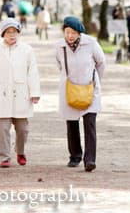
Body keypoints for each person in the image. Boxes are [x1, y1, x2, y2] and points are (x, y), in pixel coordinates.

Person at [0, 18, 40, 168]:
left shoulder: (27, 50)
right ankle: (4, 157)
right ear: (3, 34)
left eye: (15, 32)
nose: (12, 35)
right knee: (2, 129)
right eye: (8, 32)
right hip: (1, 94)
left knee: (23, 129)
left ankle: (20, 151)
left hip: (21, 94)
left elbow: (33, 72)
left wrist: (35, 92)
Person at [55, 16, 105, 172]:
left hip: (89, 88)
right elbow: (59, 65)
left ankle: (90, 159)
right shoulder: (59, 46)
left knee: (89, 123)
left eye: (73, 33)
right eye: (67, 32)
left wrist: (95, 80)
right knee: (72, 122)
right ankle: (75, 155)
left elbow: (101, 62)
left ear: (79, 33)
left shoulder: (90, 43)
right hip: (70, 88)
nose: (70, 36)